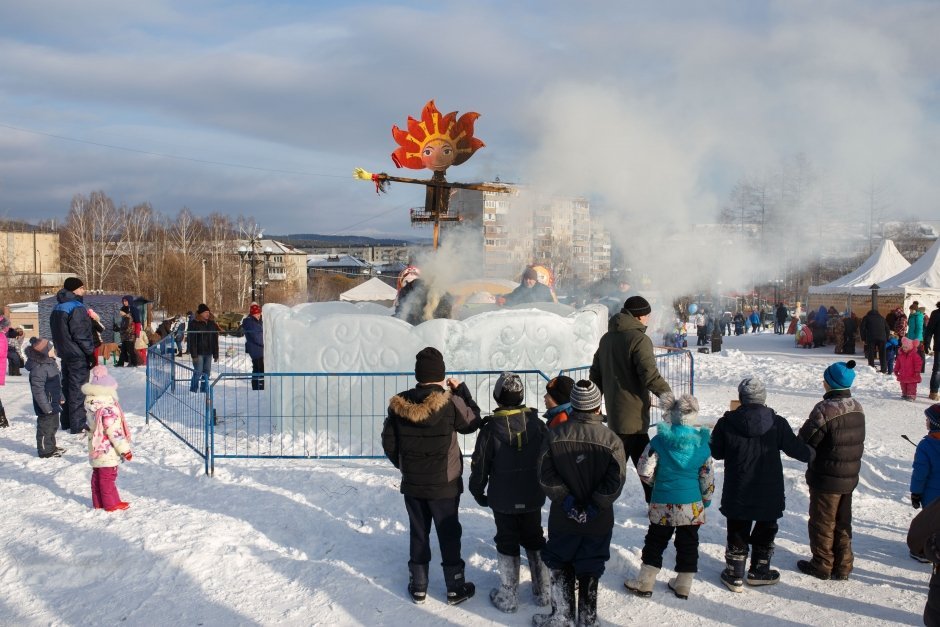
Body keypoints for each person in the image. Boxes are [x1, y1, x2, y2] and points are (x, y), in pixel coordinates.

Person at [381, 347, 481, 606]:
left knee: (418, 531)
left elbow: (388, 442)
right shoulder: (450, 401)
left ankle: (418, 586)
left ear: (418, 375)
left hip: (413, 483)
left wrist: (405, 466)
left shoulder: (399, 403)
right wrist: (461, 391)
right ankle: (455, 587)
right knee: (449, 533)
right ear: (441, 375)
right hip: (445, 483)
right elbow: (473, 422)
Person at [534, 380, 626, 627]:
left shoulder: (555, 435)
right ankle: (587, 619)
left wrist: (568, 503)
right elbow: (615, 482)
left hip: (564, 519)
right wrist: (595, 506)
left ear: (573, 404)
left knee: (560, 562)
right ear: (597, 407)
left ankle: (562, 617)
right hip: (599, 520)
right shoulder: (612, 440)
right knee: (591, 564)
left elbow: (545, 475)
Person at [710, 377, 813, 592]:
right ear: (763, 397)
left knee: (737, 526)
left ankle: (734, 573)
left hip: (738, 486)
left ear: (741, 398)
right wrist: (814, 454)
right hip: (769, 488)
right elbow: (797, 450)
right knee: (766, 525)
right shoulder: (777, 423)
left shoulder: (727, 422)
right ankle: (760, 570)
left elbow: (716, 452)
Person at [468, 372, 550, 613]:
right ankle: (543, 591)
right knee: (535, 537)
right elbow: (548, 458)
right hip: (532, 495)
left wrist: (477, 489)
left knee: (506, 539)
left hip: (502, 498)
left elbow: (480, 463)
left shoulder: (491, 429)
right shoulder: (537, 424)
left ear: (497, 397)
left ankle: (509, 594)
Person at [624, 394, 714, 600]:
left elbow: (645, 470)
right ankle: (683, 584)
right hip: (691, 505)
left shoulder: (659, 441)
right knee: (689, 542)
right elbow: (707, 478)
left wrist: (656, 485)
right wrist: (705, 499)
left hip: (662, 502)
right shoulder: (702, 445)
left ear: (671, 415)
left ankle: (645, 581)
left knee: (655, 540)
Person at [590, 295, 672, 504]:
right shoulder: (639, 339)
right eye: (647, 316)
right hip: (633, 415)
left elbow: (595, 374)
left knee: (621, 460)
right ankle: (651, 501)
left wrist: (593, 403)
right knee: (640, 463)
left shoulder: (607, 338)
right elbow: (649, 375)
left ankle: (599, 498)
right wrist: (668, 397)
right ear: (640, 316)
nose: (648, 320)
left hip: (617, 413)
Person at [796, 360, 865, 580]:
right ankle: (844, 565)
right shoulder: (857, 406)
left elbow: (806, 440)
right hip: (849, 476)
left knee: (823, 521)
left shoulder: (825, 409)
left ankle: (822, 564)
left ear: (830, 383)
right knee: (843, 521)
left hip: (827, 477)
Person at [49, 277, 96, 434]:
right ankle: (78, 425)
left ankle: (67, 421)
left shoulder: (57, 307)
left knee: (68, 386)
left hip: (65, 353)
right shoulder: (76, 307)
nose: (84, 290)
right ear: (74, 289)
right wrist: (90, 353)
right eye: (81, 288)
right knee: (78, 388)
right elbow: (81, 333)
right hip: (77, 354)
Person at [83, 365, 132, 511]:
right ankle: (111, 504)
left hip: (95, 446)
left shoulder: (92, 404)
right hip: (106, 448)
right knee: (107, 477)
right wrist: (125, 450)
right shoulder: (108, 408)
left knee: (98, 474)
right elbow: (114, 432)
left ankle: (98, 502)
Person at [25, 337, 65, 458]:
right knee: (45, 428)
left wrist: (61, 396)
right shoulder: (39, 368)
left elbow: (57, 383)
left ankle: (51, 446)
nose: (54, 350)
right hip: (45, 405)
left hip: (53, 402)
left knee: (53, 426)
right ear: (44, 351)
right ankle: (45, 451)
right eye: (51, 348)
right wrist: (45, 407)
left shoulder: (50, 362)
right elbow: (37, 390)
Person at [911, 404, 940, 515]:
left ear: (934, 423)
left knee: (932, 525)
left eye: (928, 419)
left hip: (932, 497)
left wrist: (916, 492)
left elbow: (920, 472)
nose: (926, 421)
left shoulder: (926, 445)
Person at [187, 304, 220, 393]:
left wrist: (216, 353)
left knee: (207, 372)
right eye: (205, 312)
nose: (207, 314)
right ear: (200, 313)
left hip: (209, 352)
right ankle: (193, 390)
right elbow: (192, 339)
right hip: (198, 352)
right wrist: (194, 354)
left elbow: (215, 339)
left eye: (208, 312)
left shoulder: (211, 323)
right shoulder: (194, 323)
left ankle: (203, 390)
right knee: (198, 372)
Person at [241, 303, 264, 391]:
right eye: (256, 313)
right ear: (252, 313)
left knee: (259, 368)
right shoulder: (250, 322)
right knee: (258, 368)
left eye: (259, 313)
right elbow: (257, 337)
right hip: (256, 349)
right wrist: (266, 343)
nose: (258, 315)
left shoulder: (256, 321)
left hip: (258, 349)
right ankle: (258, 386)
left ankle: (260, 385)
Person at [860, 308, 890, 373]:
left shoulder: (866, 317)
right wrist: (886, 338)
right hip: (882, 338)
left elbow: (862, 328)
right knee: (882, 353)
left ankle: (871, 368)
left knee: (871, 353)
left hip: (871, 338)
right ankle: (884, 369)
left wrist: (863, 338)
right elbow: (887, 328)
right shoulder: (882, 318)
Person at [896, 337, 924, 401]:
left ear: (910, 347)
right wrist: (896, 369)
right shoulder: (900, 355)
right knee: (903, 385)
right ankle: (905, 394)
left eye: (906, 347)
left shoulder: (915, 355)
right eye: (903, 347)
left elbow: (918, 363)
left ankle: (911, 396)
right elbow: (898, 363)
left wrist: (917, 371)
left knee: (911, 385)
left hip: (912, 374)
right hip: (903, 374)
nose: (904, 349)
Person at [926, 301, 940, 401]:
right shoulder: (936, 313)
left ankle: (934, 392)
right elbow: (930, 329)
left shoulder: (936, 313)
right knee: (937, 370)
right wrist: (927, 342)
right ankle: (934, 392)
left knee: (937, 370)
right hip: (939, 346)